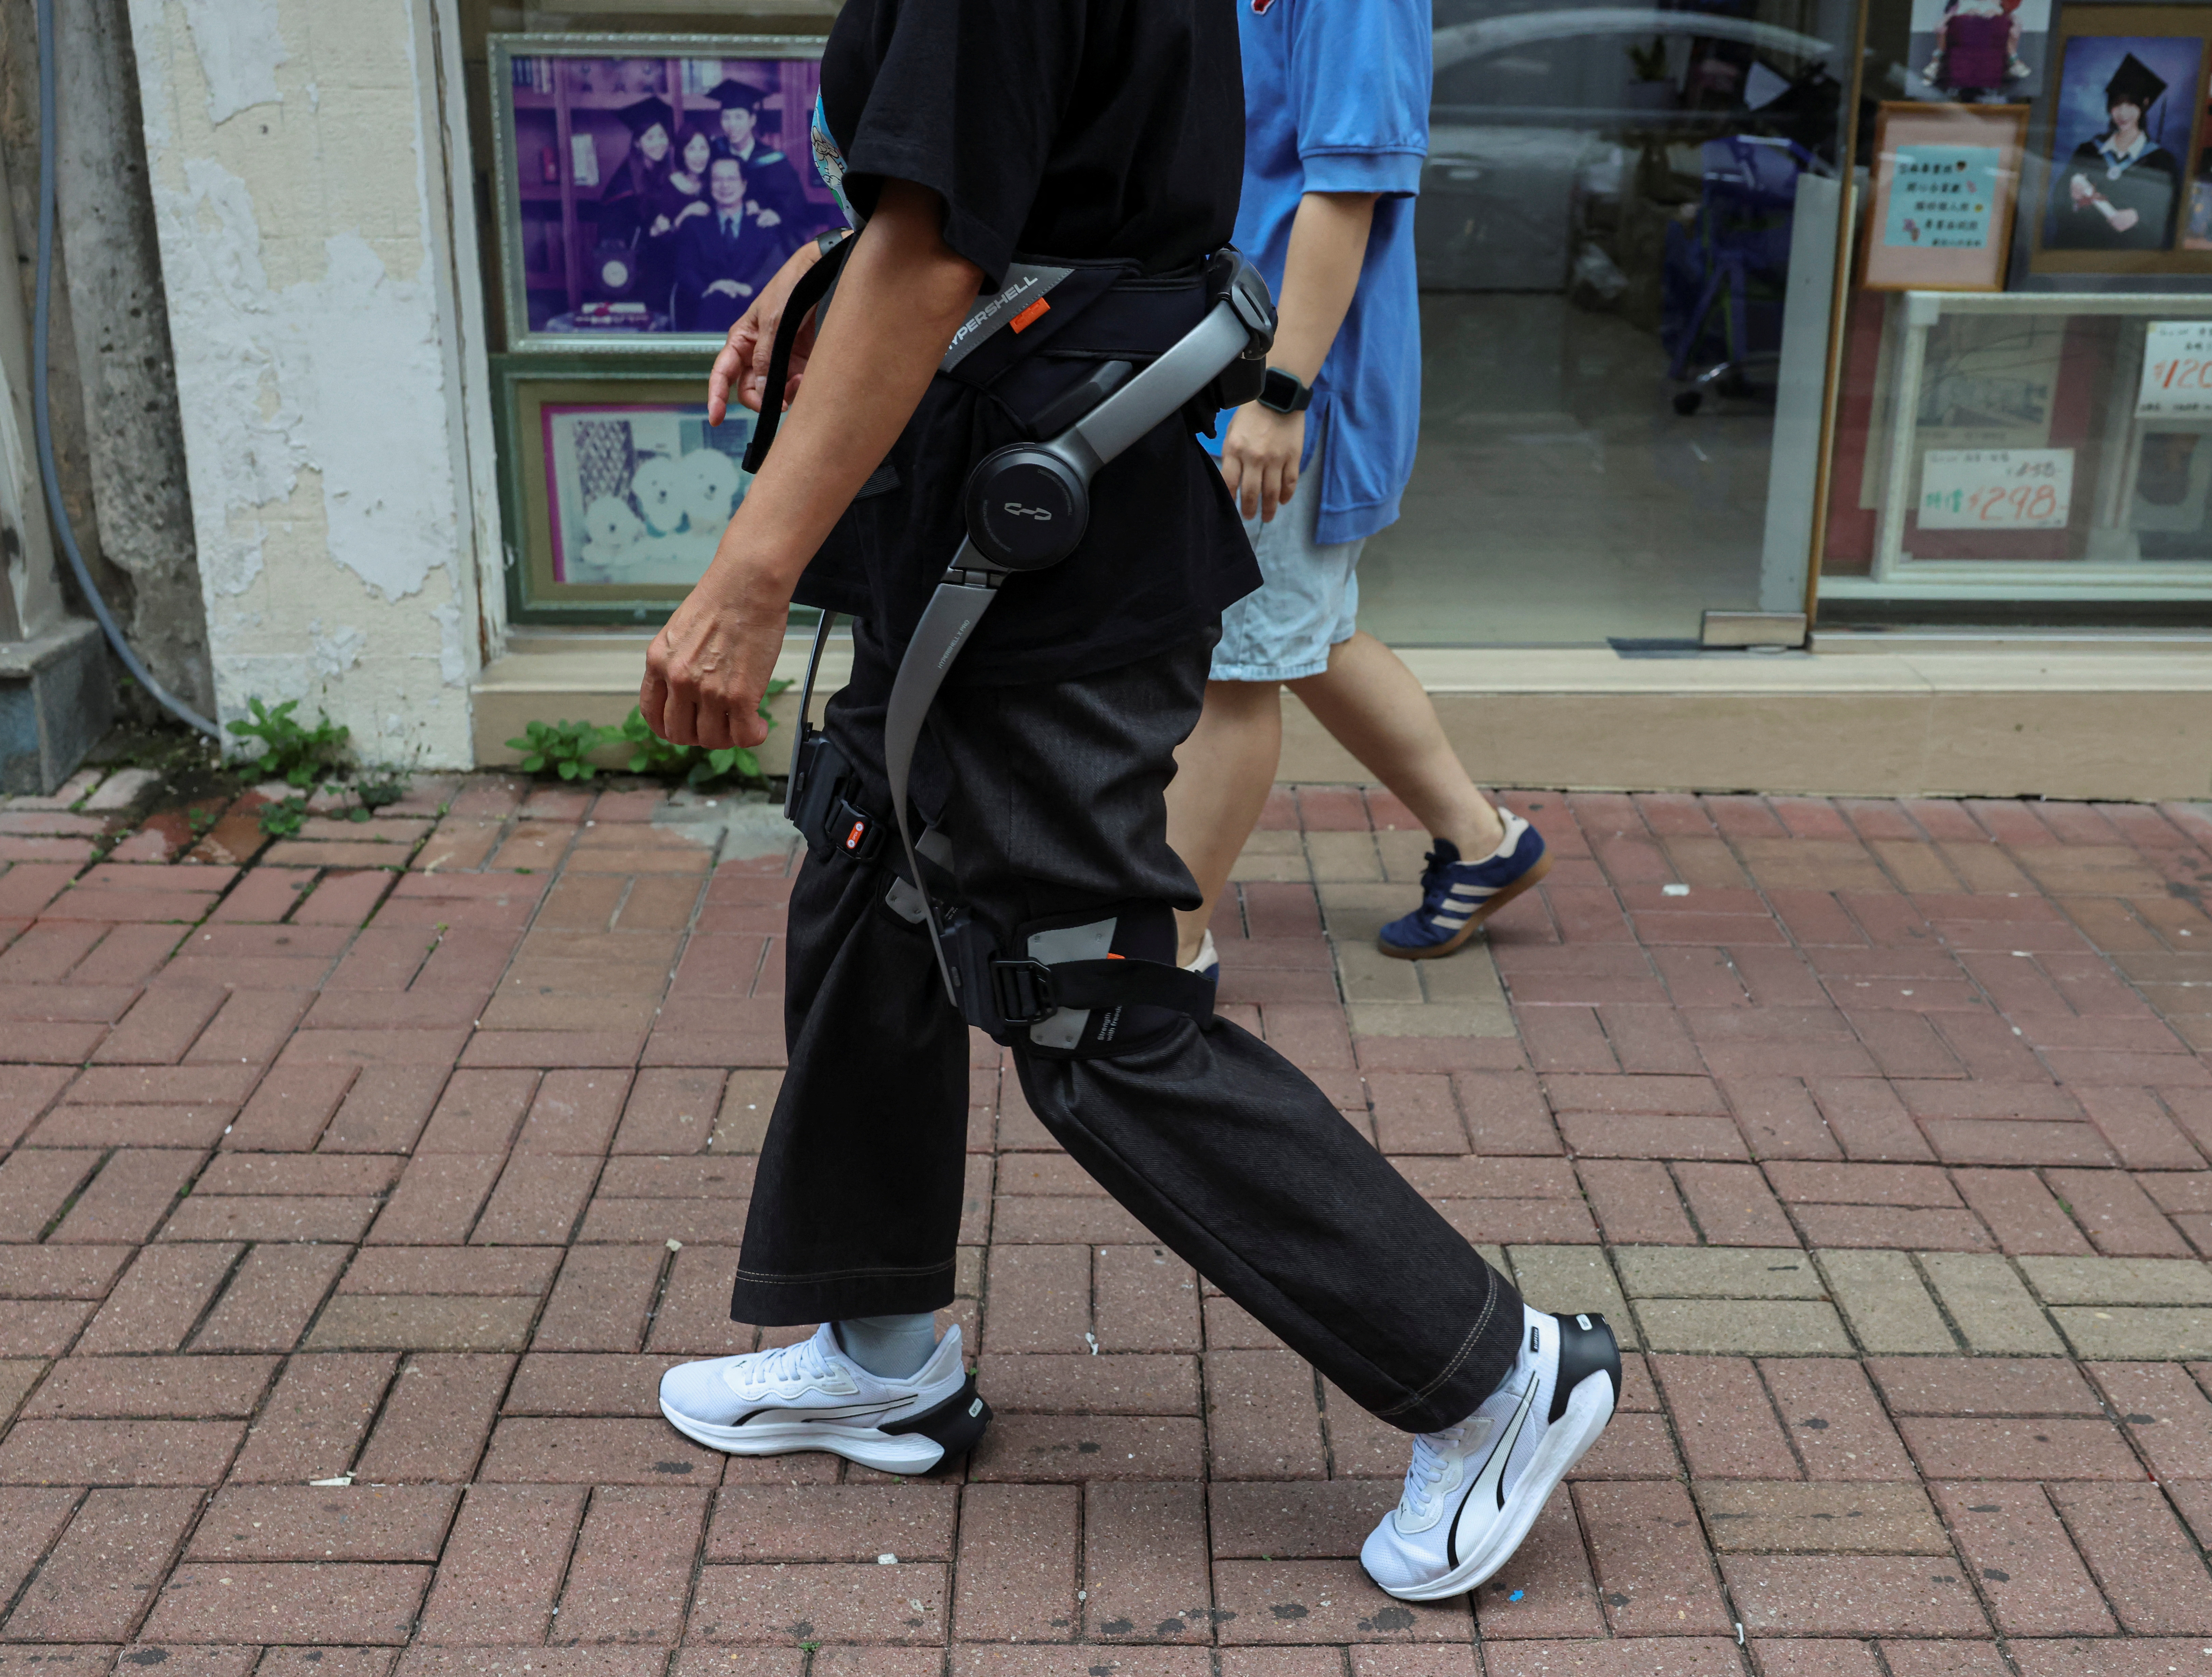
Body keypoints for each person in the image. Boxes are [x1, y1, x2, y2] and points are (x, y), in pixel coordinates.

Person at [637, 0, 1619, 1605]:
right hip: (996, 488)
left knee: (1084, 998)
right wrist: (837, 262)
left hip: (1041, 543)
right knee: (874, 871)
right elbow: (1034, 192)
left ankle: (1496, 1371)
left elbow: (948, 247)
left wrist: (749, 573)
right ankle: (879, 1341)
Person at [1163, 0, 1552, 979]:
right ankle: (1484, 841)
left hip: (1284, 378)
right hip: (1219, 356)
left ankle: (1165, 952)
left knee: (1235, 663)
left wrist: (1280, 394)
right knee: (1304, 631)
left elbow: (1348, 187)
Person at [2047, 52, 2180, 251]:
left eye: (2131, 104)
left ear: (2144, 104)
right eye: (2117, 105)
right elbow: (2059, 201)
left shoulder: (2161, 161)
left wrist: (2138, 217)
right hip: (2080, 251)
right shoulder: (2089, 151)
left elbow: (2171, 211)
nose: (2123, 114)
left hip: (2127, 258)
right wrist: (2071, 194)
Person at [670, 156, 786, 332]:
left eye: (731, 179)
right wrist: (710, 290)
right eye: (718, 180)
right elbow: (685, 270)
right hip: (707, 309)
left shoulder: (763, 224)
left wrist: (747, 288)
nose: (725, 186)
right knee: (717, 301)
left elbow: (777, 269)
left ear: (744, 184)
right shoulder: (695, 225)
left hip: (754, 308)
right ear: (710, 185)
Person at [706, 77, 823, 244]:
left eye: (739, 117)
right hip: (721, 238)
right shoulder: (715, 154)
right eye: (726, 118)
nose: (732, 125)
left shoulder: (774, 161)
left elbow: (795, 205)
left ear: (752, 120)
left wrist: (777, 215)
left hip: (763, 238)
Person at [593, 96, 677, 315]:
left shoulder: (663, 172)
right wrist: (651, 232)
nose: (658, 143)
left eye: (662, 136)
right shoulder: (624, 184)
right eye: (650, 137)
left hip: (662, 261)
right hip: (635, 270)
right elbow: (613, 236)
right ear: (638, 143)